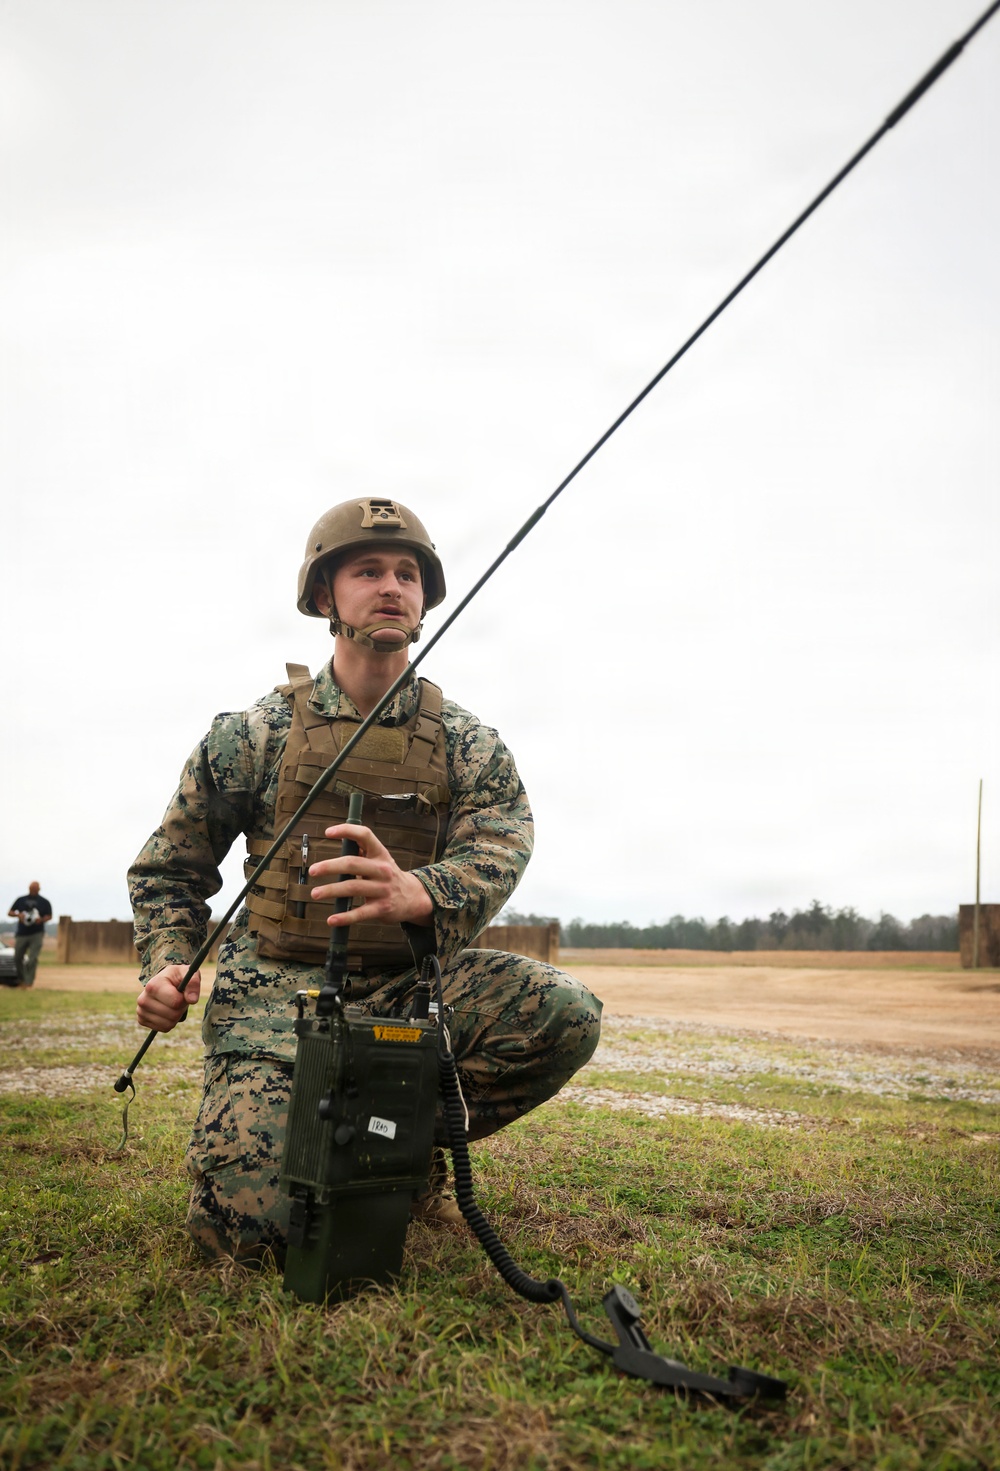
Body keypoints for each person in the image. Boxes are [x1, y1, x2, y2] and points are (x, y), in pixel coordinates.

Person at [130, 497, 602, 1266]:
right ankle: (326, 1142)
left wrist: (427, 891)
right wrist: (166, 961)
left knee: (565, 1013)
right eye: (368, 570)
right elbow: (168, 868)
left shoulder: (466, 744)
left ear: (425, 599)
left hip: (409, 995)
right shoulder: (253, 735)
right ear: (324, 596)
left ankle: (403, 1146)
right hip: (275, 1005)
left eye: (408, 573)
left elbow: (503, 839)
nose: (392, 586)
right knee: (250, 1237)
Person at [7, 882, 52, 987]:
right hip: (22, 933)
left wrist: (40, 919)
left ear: (39, 889)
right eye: (32, 888)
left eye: (36, 889)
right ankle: (22, 979)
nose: (34, 890)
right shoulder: (21, 900)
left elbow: (49, 916)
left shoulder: (44, 902)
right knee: (17, 957)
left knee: (32, 958)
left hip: (36, 933)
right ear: (29, 888)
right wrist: (19, 915)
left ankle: (28, 982)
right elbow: (10, 912)